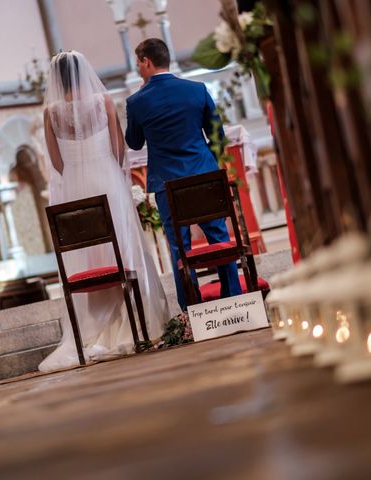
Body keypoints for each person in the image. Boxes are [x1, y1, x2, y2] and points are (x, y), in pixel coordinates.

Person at [38, 51, 169, 371]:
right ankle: (134, 326)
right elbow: (118, 147)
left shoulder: (51, 113)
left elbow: (55, 161)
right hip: (107, 181)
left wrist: (73, 177)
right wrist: (111, 171)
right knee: (122, 251)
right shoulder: (102, 101)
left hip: (74, 187)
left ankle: (96, 330)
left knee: (89, 254)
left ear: (57, 79)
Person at [125, 38, 242, 311]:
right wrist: (208, 166)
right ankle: (235, 300)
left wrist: (140, 101)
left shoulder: (137, 101)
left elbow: (134, 142)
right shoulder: (197, 90)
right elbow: (217, 136)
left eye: (139, 63)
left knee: (180, 247)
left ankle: (193, 310)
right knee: (220, 238)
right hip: (203, 175)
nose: (139, 68)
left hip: (167, 183)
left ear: (147, 62)